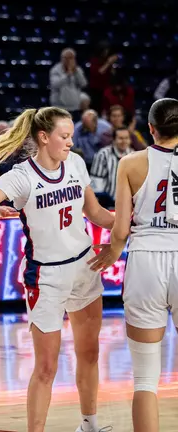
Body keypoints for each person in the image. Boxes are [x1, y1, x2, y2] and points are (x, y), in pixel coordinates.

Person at [0, 106, 114, 432]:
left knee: (89, 354)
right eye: (64, 136)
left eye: (72, 136)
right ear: (44, 137)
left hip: (85, 266)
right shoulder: (21, 177)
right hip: (46, 276)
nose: (71, 142)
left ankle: (90, 425)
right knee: (46, 367)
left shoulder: (75, 164)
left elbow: (97, 213)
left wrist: (130, 223)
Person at [88, 98, 178, 432]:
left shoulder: (130, 162)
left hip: (145, 262)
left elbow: (121, 229)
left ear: (150, 129)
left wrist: (111, 253)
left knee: (145, 378)